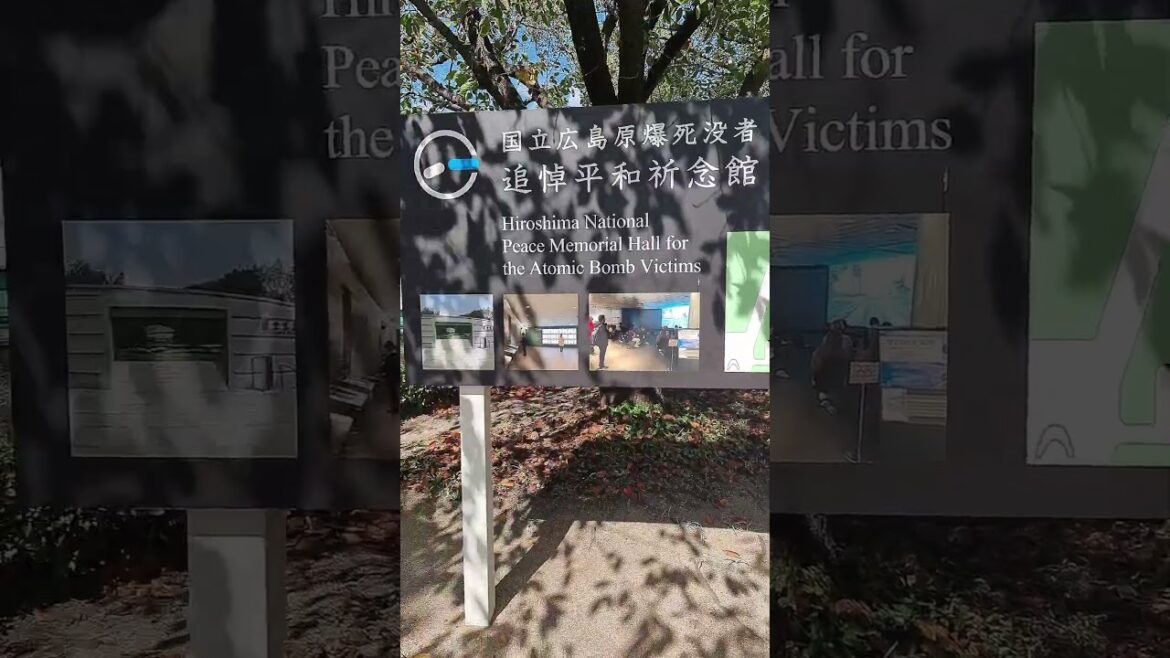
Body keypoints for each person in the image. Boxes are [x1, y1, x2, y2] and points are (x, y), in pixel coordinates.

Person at [810, 320, 853, 415]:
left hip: (822, 382)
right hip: (838, 382)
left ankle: (825, 400)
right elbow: (849, 357)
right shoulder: (847, 341)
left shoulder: (821, 349)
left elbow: (815, 366)